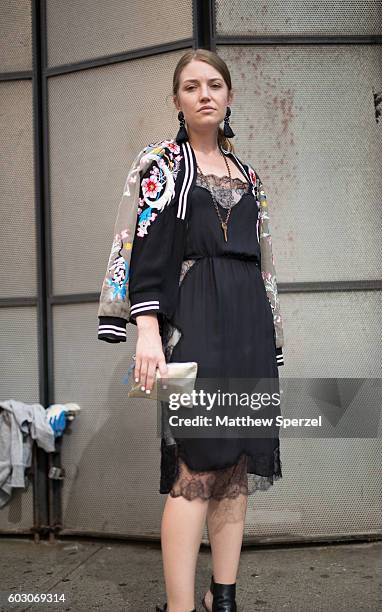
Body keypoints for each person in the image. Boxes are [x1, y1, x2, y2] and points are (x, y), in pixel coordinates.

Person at [99, 48, 285, 612]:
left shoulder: (248, 174)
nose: (204, 94)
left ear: (229, 95)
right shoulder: (160, 163)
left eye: (214, 85)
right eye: (190, 86)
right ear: (178, 100)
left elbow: (266, 263)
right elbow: (145, 252)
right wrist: (148, 331)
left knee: (235, 468)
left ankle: (221, 598)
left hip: (248, 321)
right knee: (195, 468)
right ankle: (182, 608)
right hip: (193, 324)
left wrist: (272, 338)